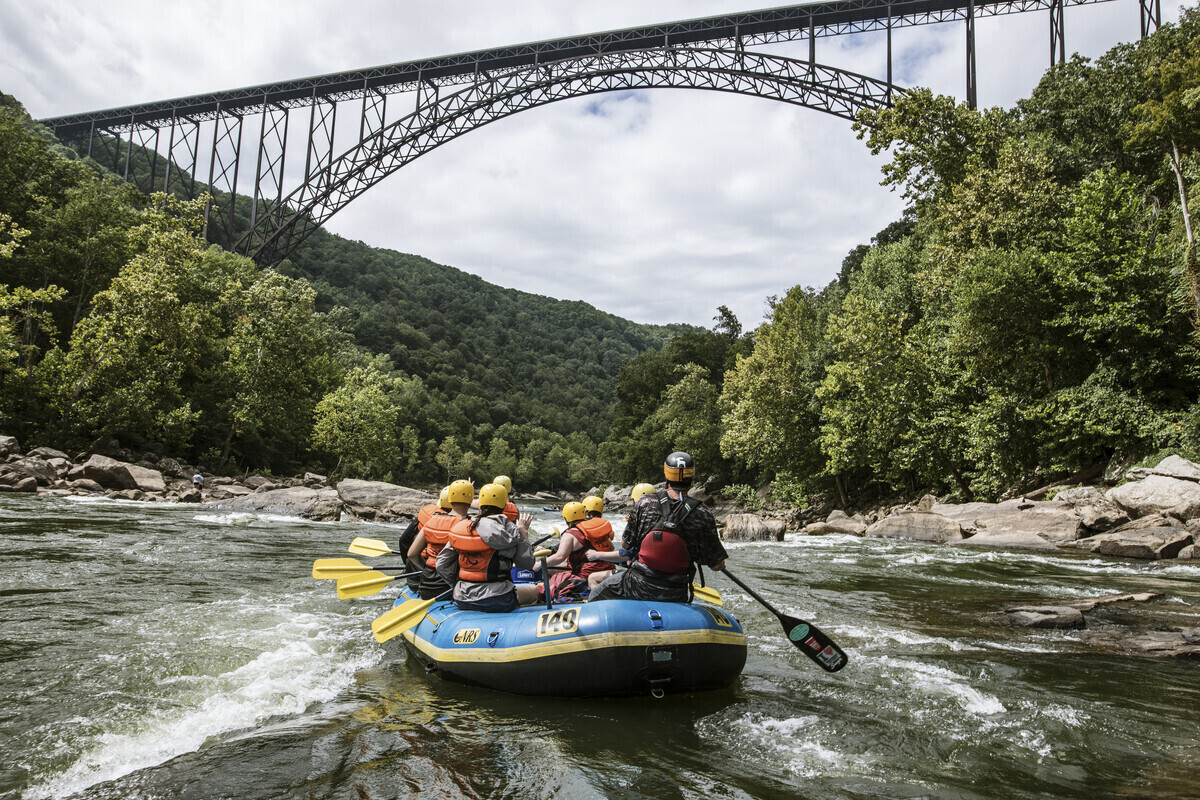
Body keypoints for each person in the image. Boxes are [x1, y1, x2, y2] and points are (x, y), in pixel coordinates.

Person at [588, 451, 727, 603]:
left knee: (596, 594)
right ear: (692, 477)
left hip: (636, 585)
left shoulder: (644, 502)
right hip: (675, 592)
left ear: (667, 475)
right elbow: (716, 565)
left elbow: (625, 544)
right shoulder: (703, 513)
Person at [436, 482, 538, 612]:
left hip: (462, 598)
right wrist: (524, 534)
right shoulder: (511, 530)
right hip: (498, 599)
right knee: (534, 592)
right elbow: (526, 564)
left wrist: (457, 585)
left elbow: (441, 564)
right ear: (504, 504)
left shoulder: (461, 528)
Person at [409, 479, 473, 599]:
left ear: (449, 499)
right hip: (450, 587)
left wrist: (425, 569)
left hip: (426, 584)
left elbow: (412, 554)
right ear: (470, 500)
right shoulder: (468, 525)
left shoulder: (433, 520)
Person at [396, 486, 451, 594]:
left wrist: (408, 565)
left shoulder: (427, 513)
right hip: (435, 579)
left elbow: (403, 541)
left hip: (414, 571)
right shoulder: (452, 523)